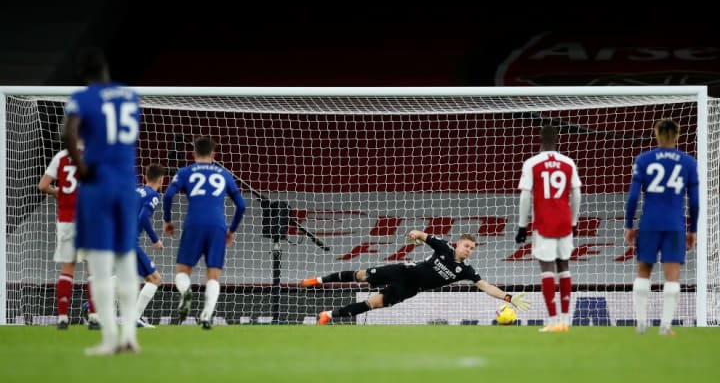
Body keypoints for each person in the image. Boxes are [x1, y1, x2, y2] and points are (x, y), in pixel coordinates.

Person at [63, 46, 141, 355]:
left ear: (84, 75)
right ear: (106, 69)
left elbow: (68, 133)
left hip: (97, 185)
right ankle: (130, 337)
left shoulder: (81, 98)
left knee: (99, 263)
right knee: (126, 261)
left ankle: (110, 340)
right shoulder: (129, 97)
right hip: (126, 183)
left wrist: (81, 167)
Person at [300, 230, 531, 325]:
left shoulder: (467, 271)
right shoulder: (443, 248)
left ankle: (328, 315)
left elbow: (486, 286)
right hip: (403, 271)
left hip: (411, 288)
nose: (469, 250)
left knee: (373, 303)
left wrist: (508, 297)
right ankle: (318, 280)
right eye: (467, 246)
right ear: (458, 244)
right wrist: (414, 237)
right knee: (361, 275)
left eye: (472, 248)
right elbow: (418, 234)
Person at [624, 119, 699, 336]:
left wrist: (629, 224)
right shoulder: (688, 162)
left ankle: (641, 324)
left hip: (649, 223)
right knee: (672, 275)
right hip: (675, 224)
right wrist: (692, 229)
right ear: (677, 135)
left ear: (656, 134)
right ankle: (665, 327)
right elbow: (694, 201)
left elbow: (632, 197)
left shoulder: (644, 159)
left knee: (643, 271)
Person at [163, 137, 246, 330]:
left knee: (183, 271)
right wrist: (231, 230)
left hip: (194, 223)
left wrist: (168, 220)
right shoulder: (224, 174)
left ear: (192, 154)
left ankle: (186, 294)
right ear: (213, 154)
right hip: (218, 225)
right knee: (213, 275)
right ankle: (207, 315)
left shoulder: (185, 171)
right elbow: (242, 205)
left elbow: (168, 194)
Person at [515, 124, 581, 333]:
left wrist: (522, 225)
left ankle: (553, 321)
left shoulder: (532, 163)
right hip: (564, 220)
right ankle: (565, 320)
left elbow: (525, 196)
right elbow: (577, 194)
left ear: (540, 140)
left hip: (544, 222)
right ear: (558, 140)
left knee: (547, 269)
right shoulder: (568, 162)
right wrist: (574, 221)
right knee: (564, 266)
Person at [38, 143, 101, 330]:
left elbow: (42, 185)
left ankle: (63, 317)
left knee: (67, 269)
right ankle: (94, 317)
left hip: (66, 220)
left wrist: (56, 192)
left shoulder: (61, 157)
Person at [134, 164, 167, 329]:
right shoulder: (153, 195)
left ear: (145, 177)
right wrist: (155, 239)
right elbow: (144, 218)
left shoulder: (135, 192)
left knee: (129, 277)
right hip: (128, 242)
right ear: (161, 180)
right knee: (155, 279)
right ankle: (134, 318)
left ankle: (92, 305)